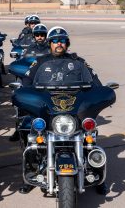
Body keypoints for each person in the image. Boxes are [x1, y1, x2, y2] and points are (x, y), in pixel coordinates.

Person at [17, 26, 104, 195]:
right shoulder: (40, 62)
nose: (58, 44)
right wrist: (27, 96)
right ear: (50, 43)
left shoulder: (78, 61)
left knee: (90, 137)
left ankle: (98, 176)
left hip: (74, 109)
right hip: (48, 108)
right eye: (55, 41)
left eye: (62, 40)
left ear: (67, 43)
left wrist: (99, 92)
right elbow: (27, 81)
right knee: (33, 137)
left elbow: (94, 80)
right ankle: (30, 176)